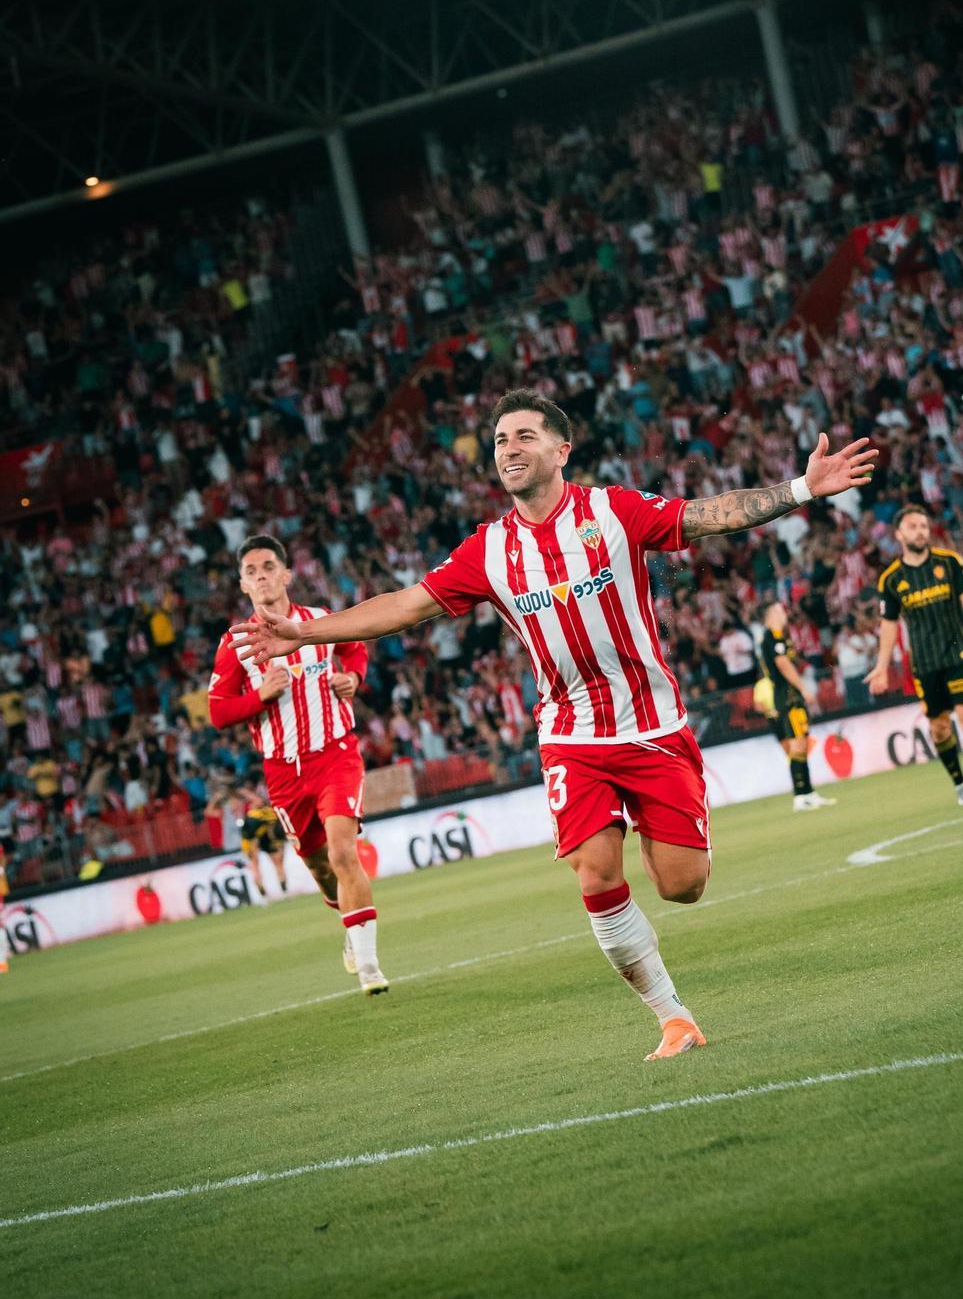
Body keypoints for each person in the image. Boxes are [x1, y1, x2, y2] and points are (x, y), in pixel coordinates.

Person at [233, 389, 876, 1059]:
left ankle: (660, 868)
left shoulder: (612, 510)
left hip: (652, 723)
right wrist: (305, 637)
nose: (508, 449)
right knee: (595, 874)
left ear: (560, 450)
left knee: (682, 886)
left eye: (523, 437)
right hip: (571, 736)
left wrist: (803, 487)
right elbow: (405, 605)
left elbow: (705, 516)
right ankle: (673, 1018)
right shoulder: (489, 550)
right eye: (500, 441)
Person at [209, 534, 387, 995]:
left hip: (335, 752)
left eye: (269, 566)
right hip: (283, 770)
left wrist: (353, 677)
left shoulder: (320, 622)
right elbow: (218, 711)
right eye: (251, 571)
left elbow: (355, 648)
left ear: (286, 574)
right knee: (320, 867)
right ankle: (350, 930)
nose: (261, 576)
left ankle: (369, 967)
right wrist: (260, 696)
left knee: (343, 851)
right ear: (243, 585)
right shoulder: (235, 644)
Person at [866, 504, 963, 805]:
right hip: (924, 663)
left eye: (923, 526)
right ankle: (960, 784)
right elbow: (888, 625)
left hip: (958, 654)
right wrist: (882, 666)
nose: (920, 531)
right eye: (912, 527)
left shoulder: (949, 563)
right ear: (898, 534)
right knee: (939, 727)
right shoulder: (891, 579)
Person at [756, 600, 836, 813]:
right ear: (771, 614)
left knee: (801, 744)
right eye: (780, 610)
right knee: (797, 745)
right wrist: (803, 688)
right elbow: (783, 664)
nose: (784, 613)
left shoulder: (779, 636)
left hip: (791, 695)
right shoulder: (771, 636)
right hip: (788, 696)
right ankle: (801, 795)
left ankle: (808, 793)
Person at [237, 785, 289, 898]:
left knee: (272, 862)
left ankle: (280, 886)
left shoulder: (255, 814)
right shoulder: (263, 813)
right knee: (257, 864)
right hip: (254, 839)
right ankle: (265, 889)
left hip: (260, 837)